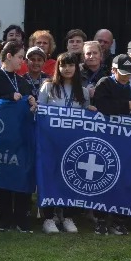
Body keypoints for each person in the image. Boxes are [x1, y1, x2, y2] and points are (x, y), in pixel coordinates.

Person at [0, 41, 39, 233]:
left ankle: (22, 218)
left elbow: (30, 105)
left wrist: (31, 101)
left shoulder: (22, 81)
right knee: (3, 177)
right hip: (0, 136)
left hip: (21, 137)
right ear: (9, 56)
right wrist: (6, 97)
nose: (23, 61)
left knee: (22, 175)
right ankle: (4, 218)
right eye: (21, 57)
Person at [37, 52, 89, 233]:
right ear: (57, 68)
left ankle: (68, 216)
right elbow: (40, 113)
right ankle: (48, 218)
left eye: (71, 65)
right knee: (50, 177)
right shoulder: (48, 87)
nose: (67, 69)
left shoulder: (83, 91)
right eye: (63, 65)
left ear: (76, 68)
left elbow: (86, 118)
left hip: (73, 143)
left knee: (71, 178)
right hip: (50, 142)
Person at [90, 54, 131, 235]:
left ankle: (120, 219)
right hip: (104, 136)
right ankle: (100, 219)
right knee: (102, 176)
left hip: (123, 138)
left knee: (122, 177)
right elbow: (102, 105)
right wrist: (126, 105)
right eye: (122, 73)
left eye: (129, 73)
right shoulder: (104, 83)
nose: (126, 77)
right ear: (113, 70)